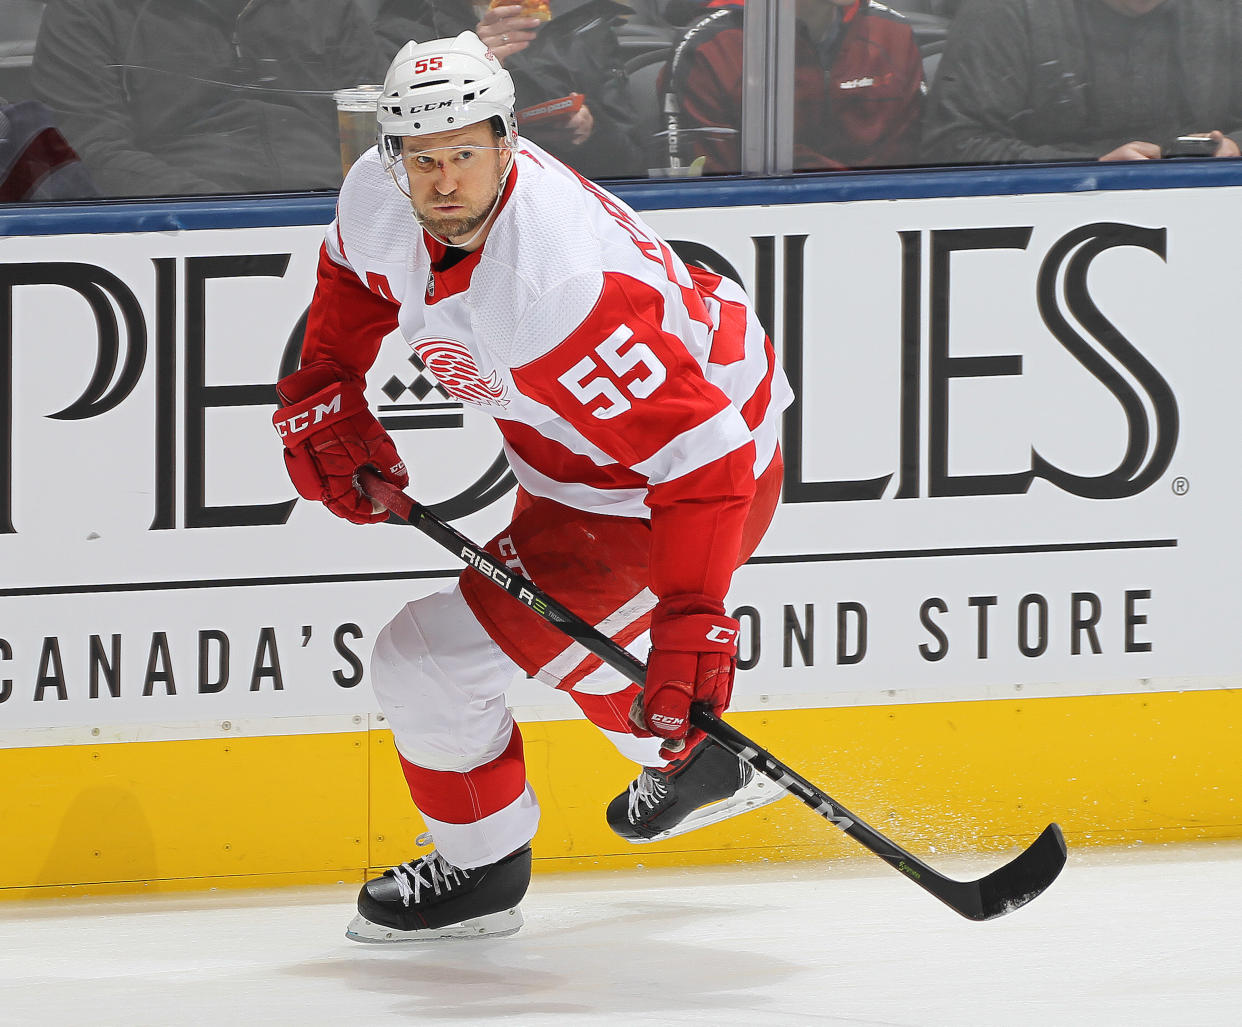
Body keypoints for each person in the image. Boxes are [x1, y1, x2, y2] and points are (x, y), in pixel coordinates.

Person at [271, 30, 792, 941]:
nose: (443, 182)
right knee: (499, 640)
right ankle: (677, 756)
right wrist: (324, 389)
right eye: (424, 159)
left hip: (675, 477)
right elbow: (351, 281)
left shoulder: (553, 285)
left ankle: (499, 860)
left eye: (465, 154)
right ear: (394, 155)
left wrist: (692, 613)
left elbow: (700, 456)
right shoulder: (381, 196)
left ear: (509, 140)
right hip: (572, 462)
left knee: (423, 658)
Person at [30, 0, 386, 198]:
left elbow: (385, 132)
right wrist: (224, 212)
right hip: (177, 226)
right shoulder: (88, 10)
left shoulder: (329, 8)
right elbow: (89, 152)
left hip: (331, 214)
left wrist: (349, 206)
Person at [921, 0, 1242, 165]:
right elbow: (952, 146)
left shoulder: (1228, 11)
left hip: (1208, 211)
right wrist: (1089, 169)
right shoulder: (1004, 11)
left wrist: (1233, 146)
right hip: (1042, 218)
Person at [373, 0, 644, 178]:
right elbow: (394, 157)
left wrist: (589, 129)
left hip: (575, 194)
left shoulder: (582, 20)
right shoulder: (404, 32)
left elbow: (634, 166)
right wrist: (473, 63)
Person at [663, 0, 925, 175]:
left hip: (880, 235)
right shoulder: (709, 47)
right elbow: (704, 190)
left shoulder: (892, 33)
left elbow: (915, 174)